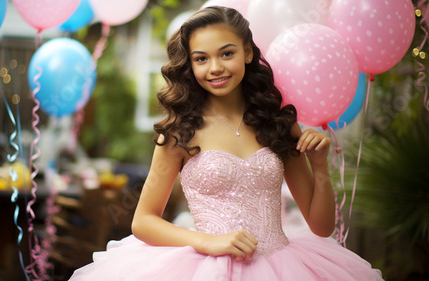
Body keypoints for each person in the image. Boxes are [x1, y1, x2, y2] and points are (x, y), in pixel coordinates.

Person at [69, 6, 383, 280]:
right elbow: (143, 222)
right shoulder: (179, 132)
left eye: (227, 53)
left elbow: (321, 227)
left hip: (282, 266)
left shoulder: (279, 124)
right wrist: (206, 241)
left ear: (247, 52)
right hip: (203, 267)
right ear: (190, 65)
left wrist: (320, 168)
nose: (215, 67)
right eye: (201, 58)